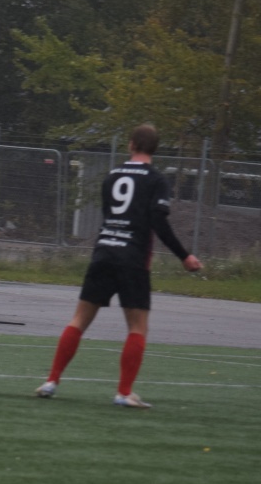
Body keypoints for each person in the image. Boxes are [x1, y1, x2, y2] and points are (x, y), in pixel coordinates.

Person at [35, 124, 202, 408]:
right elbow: (158, 221)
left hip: (103, 253)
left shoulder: (112, 176)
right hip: (132, 259)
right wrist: (184, 256)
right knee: (137, 327)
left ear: (131, 144)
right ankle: (124, 393)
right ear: (155, 148)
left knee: (79, 320)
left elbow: (108, 215)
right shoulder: (157, 180)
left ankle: (51, 381)